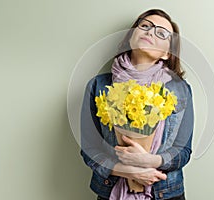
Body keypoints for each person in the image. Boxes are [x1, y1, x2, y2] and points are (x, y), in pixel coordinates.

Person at [80, 9, 194, 200]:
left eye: (161, 33)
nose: (150, 32)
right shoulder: (99, 86)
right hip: (111, 191)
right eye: (145, 26)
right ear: (131, 37)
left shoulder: (180, 89)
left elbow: (183, 151)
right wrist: (129, 172)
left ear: (167, 53)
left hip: (167, 193)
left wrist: (150, 161)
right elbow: (89, 150)